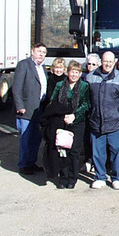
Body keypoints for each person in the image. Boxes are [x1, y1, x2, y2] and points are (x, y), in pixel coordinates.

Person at [86, 51, 119, 190]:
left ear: (114, 62)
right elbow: (86, 100)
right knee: (98, 152)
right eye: (105, 61)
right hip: (96, 122)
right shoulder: (91, 77)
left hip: (116, 123)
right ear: (101, 61)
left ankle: (116, 178)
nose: (107, 64)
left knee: (117, 153)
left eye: (110, 61)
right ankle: (100, 177)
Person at [41, 61, 90, 189]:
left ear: (80, 74)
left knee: (74, 151)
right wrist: (62, 115)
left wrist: (74, 115)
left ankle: (72, 178)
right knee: (63, 150)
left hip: (77, 122)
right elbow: (53, 102)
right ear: (67, 72)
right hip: (62, 121)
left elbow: (86, 104)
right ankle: (63, 177)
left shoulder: (85, 86)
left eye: (77, 72)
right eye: (72, 72)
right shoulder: (60, 85)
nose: (74, 74)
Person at [12, 43, 48, 175]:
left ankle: (31, 162)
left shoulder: (42, 68)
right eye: (39, 51)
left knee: (36, 138)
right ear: (32, 51)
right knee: (26, 138)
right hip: (26, 109)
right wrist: (20, 106)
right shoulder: (24, 65)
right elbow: (16, 88)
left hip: (39, 109)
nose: (41, 54)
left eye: (44, 52)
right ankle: (23, 165)